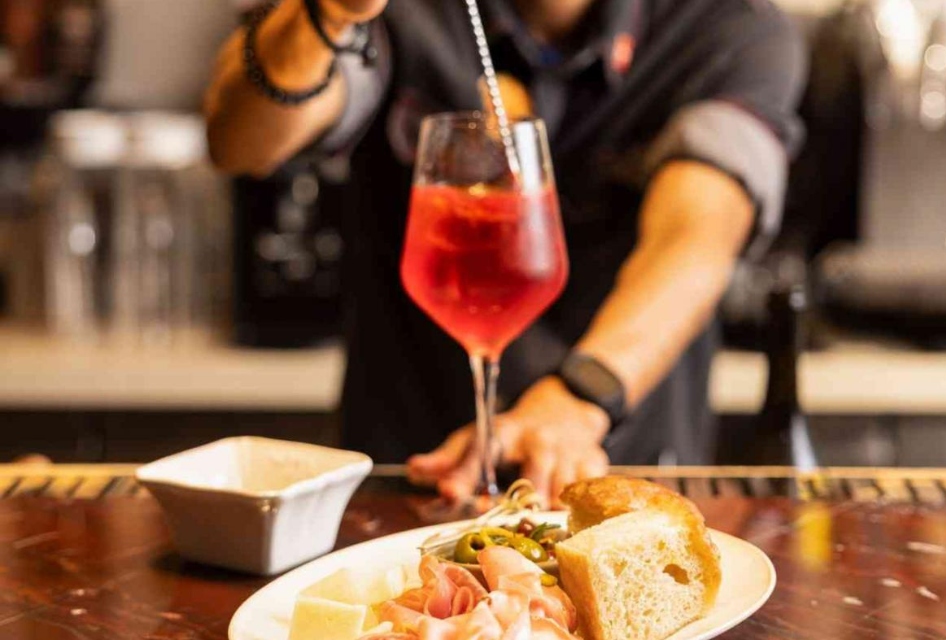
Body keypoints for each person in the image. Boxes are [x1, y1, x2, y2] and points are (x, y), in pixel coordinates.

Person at [205, 0, 807, 505]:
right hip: (409, 488)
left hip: (626, 485)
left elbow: (698, 233)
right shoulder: (412, 14)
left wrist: (581, 396)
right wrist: (326, 14)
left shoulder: (730, 26)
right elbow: (240, 141)